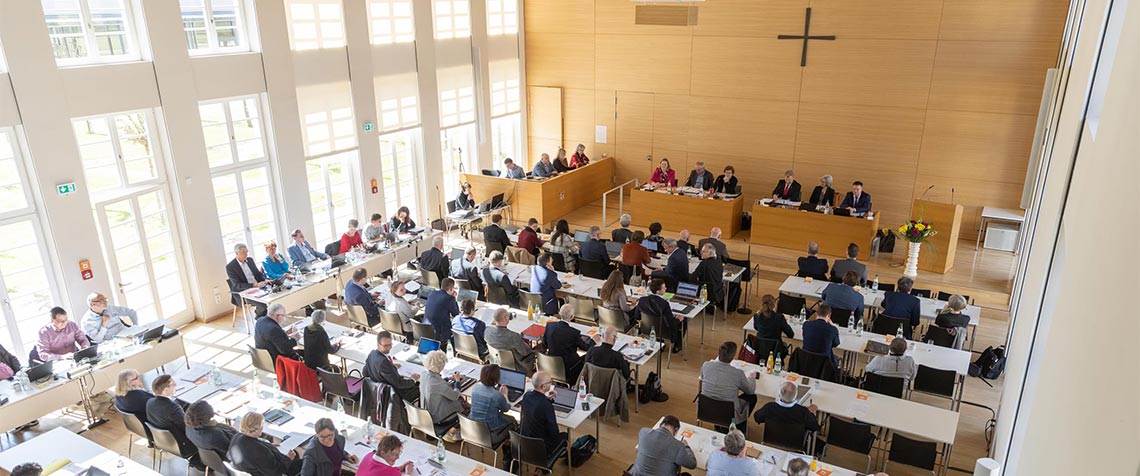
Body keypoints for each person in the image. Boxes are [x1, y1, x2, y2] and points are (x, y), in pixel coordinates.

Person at [147, 375, 204, 470]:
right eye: (173, 384)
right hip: (182, 444)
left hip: (164, 441)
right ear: (165, 390)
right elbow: (187, 427)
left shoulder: (150, 402)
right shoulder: (173, 408)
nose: (176, 386)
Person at [753, 381, 822, 454]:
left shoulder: (769, 407)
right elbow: (815, 427)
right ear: (795, 395)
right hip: (795, 448)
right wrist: (812, 413)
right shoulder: (803, 412)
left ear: (779, 394)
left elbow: (757, 418)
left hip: (769, 444)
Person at [700, 342, 759, 426]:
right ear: (733, 357)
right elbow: (750, 391)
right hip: (728, 414)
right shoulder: (738, 373)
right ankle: (739, 425)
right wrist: (751, 378)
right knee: (752, 397)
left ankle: (719, 424)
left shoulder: (706, 365)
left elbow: (702, 379)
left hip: (705, 410)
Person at [228, 411, 302, 476]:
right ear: (257, 430)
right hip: (279, 470)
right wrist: (288, 458)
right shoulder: (259, 450)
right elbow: (276, 471)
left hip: (252, 469)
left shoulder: (237, 437)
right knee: (307, 462)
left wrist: (267, 445)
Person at [419, 350, 468, 439]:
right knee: (464, 404)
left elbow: (437, 384)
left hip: (428, 412)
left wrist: (447, 378)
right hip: (439, 417)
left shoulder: (424, 375)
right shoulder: (437, 383)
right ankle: (460, 433)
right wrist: (457, 381)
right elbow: (454, 396)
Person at [469, 364, 519, 447]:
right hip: (491, 433)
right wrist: (505, 395)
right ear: (496, 379)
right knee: (513, 420)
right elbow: (506, 408)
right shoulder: (496, 396)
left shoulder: (475, 388)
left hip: (474, 428)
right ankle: (510, 447)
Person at [519, 371, 567, 458]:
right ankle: (545, 465)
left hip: (525, 441)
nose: (552, 383)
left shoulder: (527, 395)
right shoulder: (546, 406)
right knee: (565, 436)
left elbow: (537, 403)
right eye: (550, 382)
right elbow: (554, 432)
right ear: (543, 387)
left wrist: (548, 399)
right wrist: (547, 402)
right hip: (540, 446)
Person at [629, 415, 697, 476]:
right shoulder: (678, 446)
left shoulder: (643, 432)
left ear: (660, 424)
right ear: (675, 430)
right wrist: (686, 447)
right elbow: (692, 464)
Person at [364, 331, 420, 403]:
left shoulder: (372, 354)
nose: (389, 348)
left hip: (379, 391)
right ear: (378, 345)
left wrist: (390, 367)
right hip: (394, 394)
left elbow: (365, 372)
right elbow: (399, 384)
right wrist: (413, 379)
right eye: (386, 346)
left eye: (390, 345)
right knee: (419, 386)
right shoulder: (383, 363)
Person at [544, 304, 593, 382]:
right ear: (572, 317)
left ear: (559, 313)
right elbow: (586, 348)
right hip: (569, 367)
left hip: (551, 364)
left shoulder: (549, 326)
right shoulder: (573, 333)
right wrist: (593, 341)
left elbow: (545, 343)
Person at [637, 279, 686, 353]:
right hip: (665, 332)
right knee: (684, 321)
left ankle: (660, 343)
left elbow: (636, 316)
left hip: (647, 329)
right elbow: (671, 324)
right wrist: (678, 319)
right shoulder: (664, 304)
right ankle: (677, 345)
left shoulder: (642, 300)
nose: (666, 289)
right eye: (664, 288)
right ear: (658, 291)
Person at [485, 308, 536, 373]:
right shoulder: (513, 336)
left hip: (496, 361)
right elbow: (526, 352)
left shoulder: (487, 331)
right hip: (517, 364)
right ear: (506, 318)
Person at [226, 243, 269, 317]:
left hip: (258, 287)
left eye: (246, 252)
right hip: (244, 291)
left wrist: (265, 280)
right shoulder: (230, 267)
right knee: (262, 304)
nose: (246, 254)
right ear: (237, 253)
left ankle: (266, 319)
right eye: (243, 253)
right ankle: (259, 318)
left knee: (274, 295)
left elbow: (258, 274)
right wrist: (254, 285)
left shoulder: (250, 260)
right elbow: (237, 285)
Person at [424, 278, 460, 350]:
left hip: (427, 329)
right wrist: (454, 298)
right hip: (441, 333)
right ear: (450, 289)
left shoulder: (432, 293)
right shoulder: (449, 298)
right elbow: (456, 314)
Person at [692, 243, 725, 310]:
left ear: (710, 253)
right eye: (701, 251)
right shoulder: (719, 262)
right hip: (718, 290)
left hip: (706, 292)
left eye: (704, 252)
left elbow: (694, 276)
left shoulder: (704, 264)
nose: (701, 253)